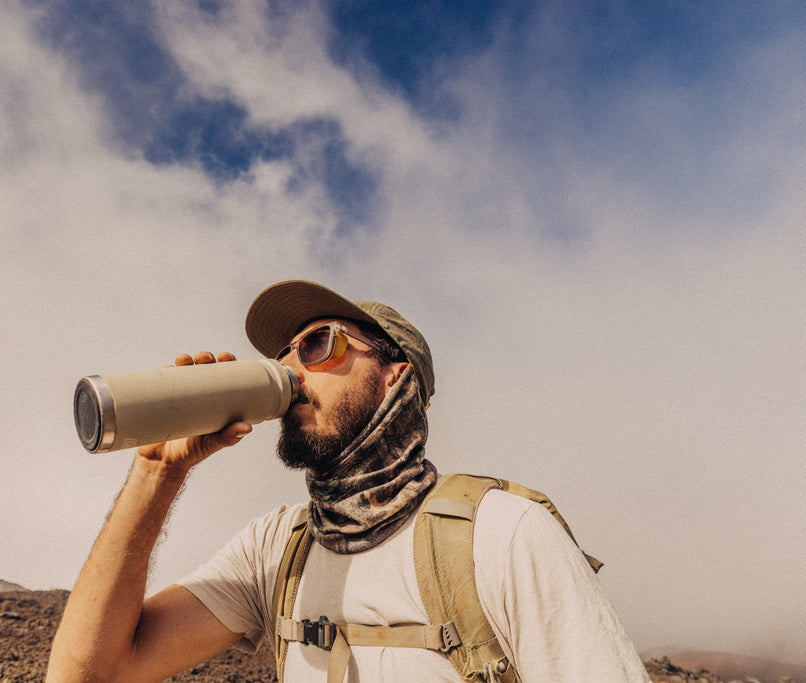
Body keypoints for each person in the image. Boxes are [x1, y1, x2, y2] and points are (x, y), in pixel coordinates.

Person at [47, 279, 649, 682]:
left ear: (394, 378)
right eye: (284, 355)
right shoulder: (277, 549)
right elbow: (89, 674)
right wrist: (156, 473)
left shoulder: (501, 535)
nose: (289, 370)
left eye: (319, 345)